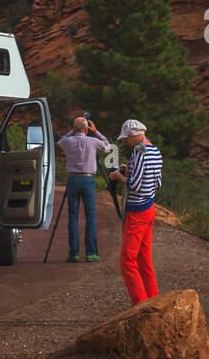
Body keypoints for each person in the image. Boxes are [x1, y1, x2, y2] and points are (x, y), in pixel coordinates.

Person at [109, 118, 162, 305]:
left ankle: (140, 306)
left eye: (126, 139)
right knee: (144, 258)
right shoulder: (154, 150)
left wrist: (118, 176)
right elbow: (157, 182)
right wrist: (128, 169)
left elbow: (135, 185)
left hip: (137, 211)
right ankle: (153, 301)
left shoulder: (139, 153)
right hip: (150, 207)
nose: (125, 142)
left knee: (127, 261)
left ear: (133, 135)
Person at [56, 114, 110, 262]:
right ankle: (91, 253)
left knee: (73, 217)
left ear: (75, 129)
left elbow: (59, 141)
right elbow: (107, 146)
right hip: (87, 180)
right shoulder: (92, 141)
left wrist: (73, 131)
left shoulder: (68, 141)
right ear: (86, 129)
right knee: (90, 217)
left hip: (73, 180)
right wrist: (96, 131)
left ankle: (74, 253)